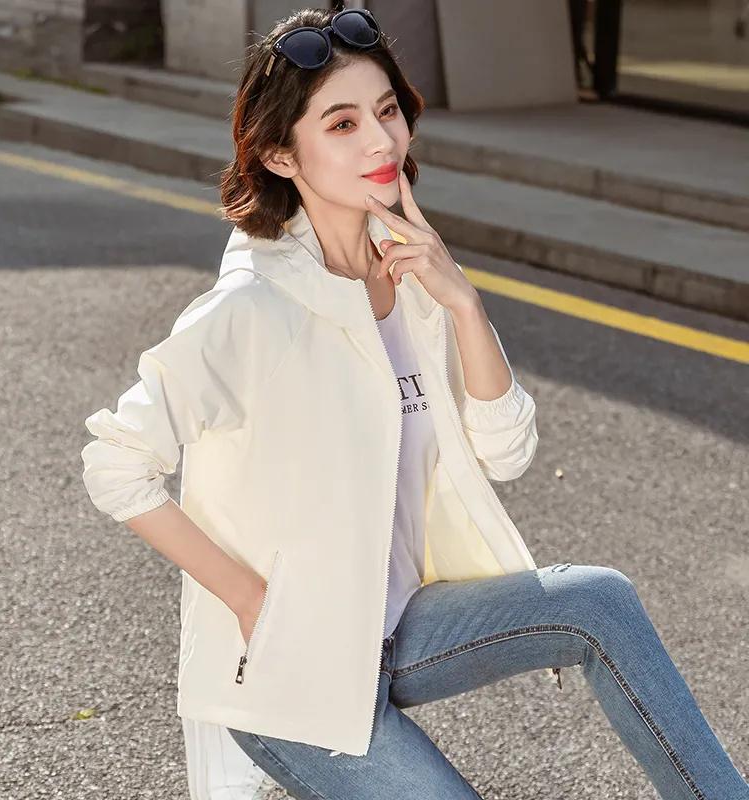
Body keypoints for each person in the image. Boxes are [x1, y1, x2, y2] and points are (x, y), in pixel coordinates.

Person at [80, 6, 749, 800]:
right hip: (299, 683)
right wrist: (257, 605)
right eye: (342, 123)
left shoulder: (411, 274)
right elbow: (114, 463)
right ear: (280, 155)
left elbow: (506, 453)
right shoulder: (252, 309)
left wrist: (462, 303)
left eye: (387, 110)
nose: (381, 141)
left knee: (598, 603)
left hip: (394, 627)